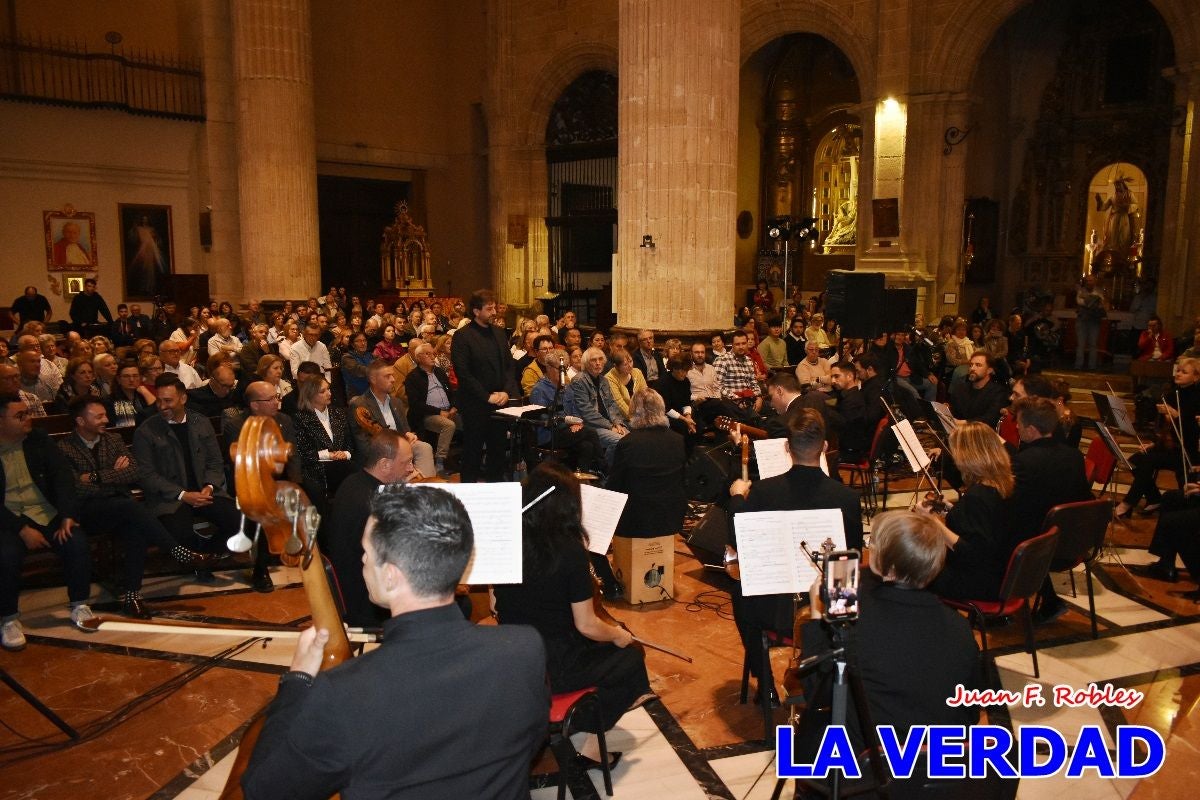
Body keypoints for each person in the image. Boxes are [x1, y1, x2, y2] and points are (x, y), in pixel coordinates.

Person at [241, 484, 549, 799]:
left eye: (366, 552)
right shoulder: (525, 648)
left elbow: (262, 791)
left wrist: (297, 679)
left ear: (390, 575)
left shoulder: (341, 696)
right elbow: (532, 739)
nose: (362, 561)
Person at [792, 511, 980, 772]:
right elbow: (970, 713)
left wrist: (816, 610)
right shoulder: (960, 627)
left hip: (867, 770)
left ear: (886, 568)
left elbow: (817, 691)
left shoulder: (854, 620)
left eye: (874, 546)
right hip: (937, 770)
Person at [493, 462, 651, 737]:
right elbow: (587, 625)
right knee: (632, 656)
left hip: (512, 654)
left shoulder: (505, 538)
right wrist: (616, 634)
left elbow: (496, 604)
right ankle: (587, 731)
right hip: (552, 664)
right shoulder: (569, 551)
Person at [727, 409, 863, 696]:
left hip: (776, 612)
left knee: (739, 591)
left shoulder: (763, 492)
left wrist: (737, 497)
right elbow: (852, 558)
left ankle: (765, 682)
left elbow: (740, 539)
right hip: (832, 608)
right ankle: (829, 674)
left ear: (787, 448)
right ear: (824, 447)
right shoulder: (847, 498)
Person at [60, 397, 221, 617]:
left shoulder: (113, 440)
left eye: (105, 415)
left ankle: (132, 597)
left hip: (119, 507)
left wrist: (95, 477)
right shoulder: (64, 448)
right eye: (98, 416)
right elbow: (73, 488)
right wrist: (114, 476)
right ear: (80, 421)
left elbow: (134, 472)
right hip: (88, 512)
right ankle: (180, 552)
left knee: (135, 528)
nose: (105, 420)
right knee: (129, 507)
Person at [0, 393, 95, 650]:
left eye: (27, 413)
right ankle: (8, 619)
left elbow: (62, 476)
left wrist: (67, 514)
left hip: (44, 512)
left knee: (75, 540)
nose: (28, 418)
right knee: (5, 554)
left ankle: (80, 605)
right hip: (8, 520)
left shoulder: (38, 439)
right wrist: (21, 529)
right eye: (20, 416)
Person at [133, 376, 248, 586]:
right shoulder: (147, 430)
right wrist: (183, 494)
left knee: (240, 522)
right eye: (159, 400)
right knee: (179, 534)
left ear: (183, 398)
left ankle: (204, 557)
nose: (162, 406)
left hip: (205, 492)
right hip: (170, 497)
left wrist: (210, 486)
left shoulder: (200, 422)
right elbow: (147, 475)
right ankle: (200, 561)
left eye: (168, 401)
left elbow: (215, 462)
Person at [1009, 397, 1093, 621]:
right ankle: (1050, 600)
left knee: (1001, 531)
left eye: (1019, 423)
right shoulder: (1074, 456)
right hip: (1074, 539)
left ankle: (999, 604)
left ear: (1032, 430)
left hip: (1043, 545)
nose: (1016, 426)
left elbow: (1013, 503)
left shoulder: (1024, 462)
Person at [319, 430, 415, 628]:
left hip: (349, 590)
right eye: (406, 462)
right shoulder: (377, 504)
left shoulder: (352, 482)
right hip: (367, 604)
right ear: (384, 465)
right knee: (458, 606)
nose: (411, 469)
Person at [921, 422, 1014, 601]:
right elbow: (982, 525)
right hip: (1002, 574)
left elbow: (970, 553)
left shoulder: (978, 496)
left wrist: (930, 520)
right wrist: (950, 509)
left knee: (911, 567)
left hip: (977, 582)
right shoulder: (1001, 484)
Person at [1117, 357, 1200, 518]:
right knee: (1136, 459)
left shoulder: (1197, 398)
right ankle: (1154, 498)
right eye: (1178, 370)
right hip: (1171, 447)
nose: (1179, 374)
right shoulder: (1171, 395)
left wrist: (1177, 416)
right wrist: (1154, 444)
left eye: (1184, 372)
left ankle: (1128, 503)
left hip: (1188, 451)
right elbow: (1166, 431)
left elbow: (1192, 433)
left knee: (1148, 461)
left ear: (1196, 377)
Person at [451, 290, 518, 482]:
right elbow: (463, 373)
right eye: (489, 309)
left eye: (494, 307)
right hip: (475, 404)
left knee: (497, 451)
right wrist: (487, 396)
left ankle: (494, 492)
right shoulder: (463, 336)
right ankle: (468, 497)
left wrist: (506, 391)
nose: (494, 312)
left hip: (499, 402)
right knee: (472, 452)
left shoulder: (498, 333)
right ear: (475, 311)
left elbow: (508, 366)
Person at [607, 389, 687, 539]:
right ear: (661, 409)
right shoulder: (678, 440)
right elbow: (681, 480)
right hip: (671, 517)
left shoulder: (627, 443)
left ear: (633, 411)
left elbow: (614, 486)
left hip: (637, 521)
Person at [350, 360, 436, 477]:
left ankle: (424, 484)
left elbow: (406, 430)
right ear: (373, 379)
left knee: (424, 447)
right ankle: (416, 482)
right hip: (380, 454)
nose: (393, 380)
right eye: (387, 376)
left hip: (401, 447)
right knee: (401, 463)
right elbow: (363, 445)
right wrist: (394, 451)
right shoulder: (359, 405)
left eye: (392, 375)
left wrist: (410, 435)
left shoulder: (396, 402)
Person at [293, 377, 356, 511]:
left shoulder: (339, 413)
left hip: (343, 464)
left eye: (328, 389)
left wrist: (344, 453)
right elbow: (303, 452)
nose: (329, 393)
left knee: (351, 469)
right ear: (310, 395)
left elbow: (350, 443)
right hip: (317, 468)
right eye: (323, 391)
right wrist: (329, 455)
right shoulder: (301, 419)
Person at [403, 343, 458, 476]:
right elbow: (415, 404)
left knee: (471, 418)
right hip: (428, 415)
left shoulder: (439, 372)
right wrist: (439, 412)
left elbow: (451, 392)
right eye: (428, 354)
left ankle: (467, 457)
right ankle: (440, 461)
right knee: (449, 426)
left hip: (448, 411)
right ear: (419, 358)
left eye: (433, 353)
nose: (433, 356)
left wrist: (454, 407)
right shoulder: (413, 377)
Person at [570, 345, 628, 463]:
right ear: (586, 363)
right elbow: (587, 412)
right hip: (590, 426)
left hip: (609, 424)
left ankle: (617, 473)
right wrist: (610, 426)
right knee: (620, 441)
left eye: (600, 359)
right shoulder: (579, 380)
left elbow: (611, 404)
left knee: (632, 439)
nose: (598, 363)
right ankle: (606, 472)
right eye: (593, 360)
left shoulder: (603, 380)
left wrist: (617, 423)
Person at [948, 353, 1007, 427]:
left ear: (989, 370)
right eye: (971, 365)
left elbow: (990, 419)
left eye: (978, 365)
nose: (972, 368)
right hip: (958, 433)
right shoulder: (960, 388)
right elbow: (954, 412)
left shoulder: (998, 392)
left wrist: (962, 423)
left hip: (981, 435)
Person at [714, 331, 763, 414]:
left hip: (750, 399)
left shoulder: (748, 360)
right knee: (753, 418)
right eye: (737, 344)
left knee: (772, 410)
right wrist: (737, 398)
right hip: (732, 401)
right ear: (732, 345)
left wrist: (759, 397)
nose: (741, 347)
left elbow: (753, 383)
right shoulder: (722, 360)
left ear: (747, 344)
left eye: (743, 343)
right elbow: (716, 385)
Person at [604, 349, 648, 421]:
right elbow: (619, 404)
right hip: (622, 418)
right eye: (625, 364)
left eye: (630, 361)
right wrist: (635, 418)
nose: (630, 366)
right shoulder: (609, 378)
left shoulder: (637, 372)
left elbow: (645, 394)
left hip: (641, 413)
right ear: (616, 366)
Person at [1074, 275, 1106, 370]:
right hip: (1082, 320)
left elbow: (1100, 304)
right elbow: (1080, 302)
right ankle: (1078, 366)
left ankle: (1092, 366)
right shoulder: (1081, 291)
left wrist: (1087, 299)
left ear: (1095, 281)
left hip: (1094, 321)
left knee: (1093, 344)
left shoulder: (1099, 291)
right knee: (1081, 344)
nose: (1089, 282)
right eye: (1087, 280)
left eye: (1091, 280)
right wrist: (1093, 300)